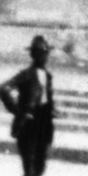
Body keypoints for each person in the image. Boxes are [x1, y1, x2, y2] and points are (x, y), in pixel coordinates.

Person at [0, 35, 55, 176]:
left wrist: (51, 110)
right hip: (28, 125)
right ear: (34, 55)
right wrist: (18, 110)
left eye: (46, 53)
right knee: (29, 166)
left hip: (44, 124)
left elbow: (46, 98)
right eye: (41, 53)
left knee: (40, 166)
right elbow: (3, 88)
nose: (45, 56)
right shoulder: (27, 74)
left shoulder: (47, 76)